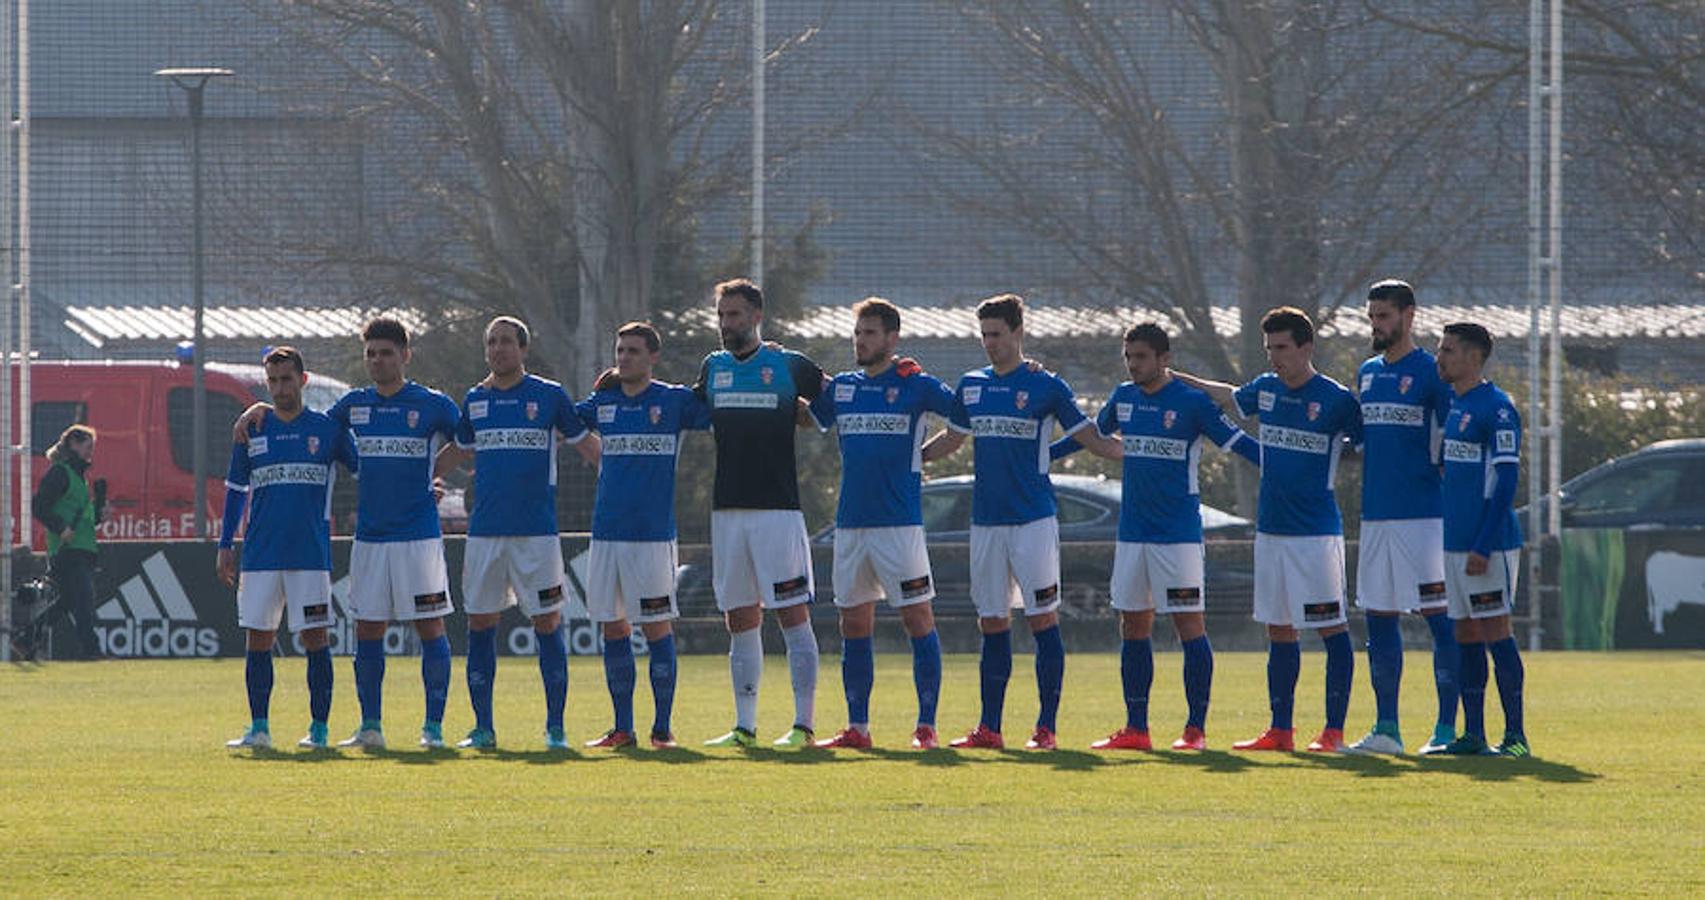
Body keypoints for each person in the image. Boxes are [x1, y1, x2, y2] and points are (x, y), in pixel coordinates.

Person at [235, 316, 462, 750]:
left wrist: (432, 473)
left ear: (405, 356)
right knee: (368, 630)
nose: (377, 360)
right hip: (370, 538)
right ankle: (370, 726)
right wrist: (258, 407)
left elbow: (467, 442)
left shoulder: (432, 404)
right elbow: (304, 422)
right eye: (371, 353)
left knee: (430, 626)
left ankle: (433, 729)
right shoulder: (352, 406)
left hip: (418, 535)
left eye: (386, 353)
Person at [1052, 322, 1260, 751]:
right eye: (1128, 357)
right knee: (1132, 624)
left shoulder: (1191, 403)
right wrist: (1041, 455)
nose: (1133, 365)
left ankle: (1195, 730)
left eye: (1141, 357)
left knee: (1188, 625)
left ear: (1164, 359)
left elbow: (1237, 442)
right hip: (1132, 534)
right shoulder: (1123, 398)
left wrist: (1285, 464)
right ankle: (1136, 728)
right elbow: (1090, 434)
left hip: (1178, 535)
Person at [1176, 307, 1363, 753]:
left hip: (1316, 533)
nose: (1274, 357)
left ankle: (1333, 732)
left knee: (1331, 627)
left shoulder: (1337, 400)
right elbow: (1232, 395)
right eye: (1268, 349)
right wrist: (1182, 380)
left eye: (1281, 347)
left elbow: (1366, 448)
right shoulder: (1266, 390)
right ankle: (1281, 730)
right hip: (1272, 530)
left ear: (1305, 347)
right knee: (1279, 628)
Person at [922, 294, 1091, 751]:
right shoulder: (972, 385)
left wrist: (1128, 447)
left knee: (1041, 619)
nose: (989, 343)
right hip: (986, 523)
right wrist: (912, 459)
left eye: (997, 334)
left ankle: (1046, 728)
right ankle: (990, 729)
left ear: (1018, 333)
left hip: (1033, 520)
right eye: (984, 335)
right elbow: (952, 439)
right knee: (991, 621)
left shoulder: (1047, 386)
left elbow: (1087, 435)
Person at [433, 316, 599, 751]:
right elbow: (458, 449)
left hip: (536, 536)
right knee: (480, 623)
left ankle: (556, 729)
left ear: (523, 349)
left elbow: (587, 445)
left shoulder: (548, 396)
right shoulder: (476, 399)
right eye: (491, 342)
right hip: (485, 534)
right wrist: (419, 478)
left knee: (547, 623)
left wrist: (624, 476)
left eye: (506, 342)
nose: (498, 349)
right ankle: (483, 728)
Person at [806, 298, 954, 750]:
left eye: (870, 333)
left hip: (899, 526)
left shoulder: (918, 385)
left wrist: (925, 453)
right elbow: (806, 417)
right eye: (857, 333)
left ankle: (926, 726)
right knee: (853, 624)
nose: (861, 340)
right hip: (850, 525)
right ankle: (858, 727)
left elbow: (964, 421)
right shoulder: (842, 388)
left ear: (892, 338)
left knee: (917, 618)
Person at [693, 279, 829, 749]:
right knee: (740, 618)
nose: (726, 324)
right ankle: (745, 726)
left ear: (756, 316)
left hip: (777, 512)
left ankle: (803, 727)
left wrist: (807, 414)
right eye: (721, 316)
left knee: (792, 614)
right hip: (728, 513)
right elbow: (686, 406)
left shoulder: (789, 364)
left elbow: (836, 400)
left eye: (734, 315)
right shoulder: (713, 368)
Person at [573, 322, 710, 749]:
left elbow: (713, 405)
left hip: (652, 536)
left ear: (653, 356)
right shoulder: (604, 402)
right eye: (620, 350)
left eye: (633, 350)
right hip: (607, 534)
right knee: (613, 630)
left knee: (655, 628)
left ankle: (662, 729)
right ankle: (622, 728)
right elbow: (566, 421)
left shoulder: (673, 401)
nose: (624, 357)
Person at [219, 347, 358, 750]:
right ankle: (259, 728)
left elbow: (364, 468)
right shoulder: (252, 429)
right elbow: (235, 490)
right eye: (273, 381)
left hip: (309, 556)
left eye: (287, 379)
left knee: (316, 640)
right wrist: (226, 544)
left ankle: (319, 729)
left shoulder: (327, 430)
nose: (280, 387)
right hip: (260, 555)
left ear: (303, 380)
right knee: (258, 639)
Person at [1347, 280, 1461, 756]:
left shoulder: (1432, 374)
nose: (1377, 325)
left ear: (1409, 316)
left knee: (1440, 620)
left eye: (1385, 316)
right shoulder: (1367, 373)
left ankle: (1446, 730)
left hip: (1423, 519)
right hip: (1376, 517)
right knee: (1379, 617)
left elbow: (1453, 444)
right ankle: (1387, 729)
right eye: (1372, 317)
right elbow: (1360, 443)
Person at [1434, 322, 1529, 757]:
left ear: (1473, 356)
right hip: (1455, 543)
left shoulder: (1497, 408)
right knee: (1465, 633)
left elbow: (1506, 481)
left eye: (1448, 351)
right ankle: (1473, 734)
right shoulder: (1456, 406)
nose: (1441, 358)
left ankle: (1515, 737)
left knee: (1495, 631)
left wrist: (1484, 544)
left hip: (1485, 545)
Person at [30, 424, 105, 660]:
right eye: (87, 446)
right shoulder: (60, 472)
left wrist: (100, 507)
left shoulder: (78, 477)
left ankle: (25, 638)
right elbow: (39, 506)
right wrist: (60, 528)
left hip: (80, 548)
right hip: (68, 550)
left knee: (68, 601)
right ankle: (91, 650)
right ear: (73, 444)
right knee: (83, 599)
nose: (91, 452)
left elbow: (85, 520)